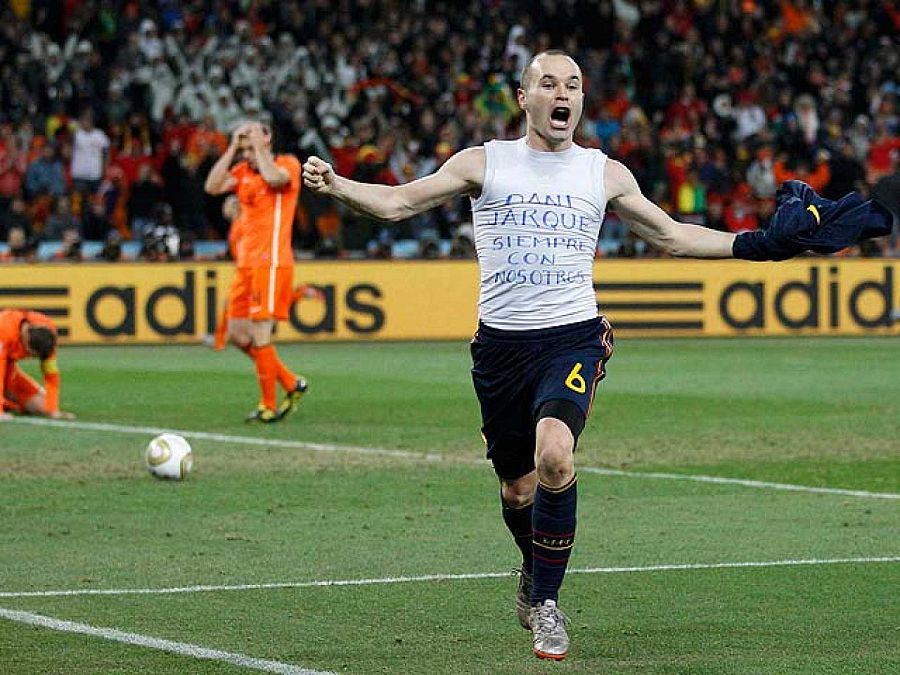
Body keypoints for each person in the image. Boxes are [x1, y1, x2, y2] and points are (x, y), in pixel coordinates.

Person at [302, 50, 892, 661]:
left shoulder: (603, 172)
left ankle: (548, 605)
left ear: (581, 102)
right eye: (549, 83)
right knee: (516, 489)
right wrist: (339, 185)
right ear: (524, 97)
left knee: (555, 455)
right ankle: (533, 569)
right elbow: (400, 203)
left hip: (572, 336)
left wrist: (757, 244)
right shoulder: (484, 162)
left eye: (574, 84)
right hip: (500, 349)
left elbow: (673, 234)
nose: (564, 93)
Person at [204, 121, 308, 423]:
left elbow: (275, 179)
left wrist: (258, 149)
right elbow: (211, 186)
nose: (248, 153)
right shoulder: (243, 171)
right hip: (246, 265)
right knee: (238, 334)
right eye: (245, 148)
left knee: (261, 333)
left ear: (268, 139)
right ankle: (290, 382)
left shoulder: (286, 164)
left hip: (271, 262)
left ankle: (267, 405)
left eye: (253, 146)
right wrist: (232, 148)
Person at [0, 309, 75, 420]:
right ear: (25, 337)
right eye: (29, 352)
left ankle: (8, 401)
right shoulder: (5, 329)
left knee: (40, 405)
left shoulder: (48, 338)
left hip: (8, 365)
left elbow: (51, 375)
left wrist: (52, 409)